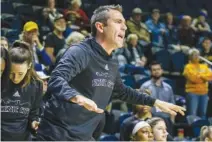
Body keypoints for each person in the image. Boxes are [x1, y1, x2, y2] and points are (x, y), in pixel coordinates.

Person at [36, 5, 185, 141]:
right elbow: (56, 79)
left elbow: (122, 92)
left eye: (125, 23)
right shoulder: (80, 52)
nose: (125, 27)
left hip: (83, 136)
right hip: (56, 134)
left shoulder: (112, 62)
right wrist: (78, 97)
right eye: (118, 22)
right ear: (100, 27)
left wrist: (155, 102)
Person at [1, 40, 43, 141]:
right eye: (11, 73)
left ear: (29, 66)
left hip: (22, 137)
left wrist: (34, 122)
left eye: (20, 74)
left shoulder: (36, 85)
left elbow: (34, 113)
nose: (15, 78)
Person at [183, 48, 212, 118]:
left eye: (198, 55)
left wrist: (200, 75)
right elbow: (194, 79)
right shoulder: (188, 67)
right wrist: (204, 77)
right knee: (193, 114)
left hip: (204, 93)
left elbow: (210, 77)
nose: (196, 56)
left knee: (203, 114)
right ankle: (191, 129)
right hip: (193, 93)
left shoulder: (204, 66)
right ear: (190, 56)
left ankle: (202, 129)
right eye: (194, 55)